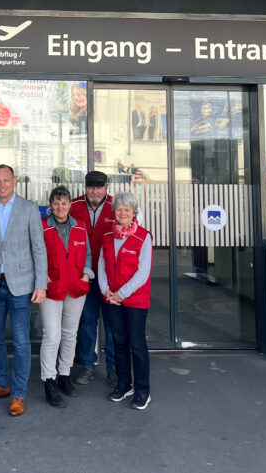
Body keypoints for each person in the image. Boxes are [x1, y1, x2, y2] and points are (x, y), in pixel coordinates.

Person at [0, 164, 47, 417]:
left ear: (14, 181)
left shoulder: (29, 208)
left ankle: (18, 394)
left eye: (6, 180)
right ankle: (1, 385)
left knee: (21, 341)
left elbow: (39, 248)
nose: (1, 185)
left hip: (21, 285)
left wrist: (41, 284)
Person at [39, 186, 94, 408]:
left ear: (70, 205)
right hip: (52, 289)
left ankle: (64, 375)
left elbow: (88, 255)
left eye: (64, 203)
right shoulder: (42, 227)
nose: (60, 207)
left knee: (70, 334)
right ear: (50, 205)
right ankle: (49, 381)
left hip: (76, 289)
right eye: (56, 203)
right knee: (52, 336)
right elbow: (36, 255)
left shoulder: (79, 226)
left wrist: (86, 276)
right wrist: (43, 279)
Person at [99, 191, 153, 410]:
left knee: (136, 345)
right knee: (118, 342)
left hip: (135, 301)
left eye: (127, 210)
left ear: (134, 213)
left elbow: (143, 273)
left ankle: (142, 391)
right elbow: (101, 266)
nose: (122, 213)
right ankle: (123, 385)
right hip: (112, 300)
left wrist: (121, 294)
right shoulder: (107, 236)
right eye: (119, 209)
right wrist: (106, 291)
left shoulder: (143, 236)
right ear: (114, 212)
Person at [71, 171, 117, 388]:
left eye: (99, 187)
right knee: (87, 322)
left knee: (111, 324)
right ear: (85, 187)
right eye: (91, 187)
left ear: (106, 188)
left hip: (110, 278)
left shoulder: (116, 206)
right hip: (84, 275)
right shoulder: (73, 206)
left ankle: (114, 367)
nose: (95, 191)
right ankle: (87, 365)